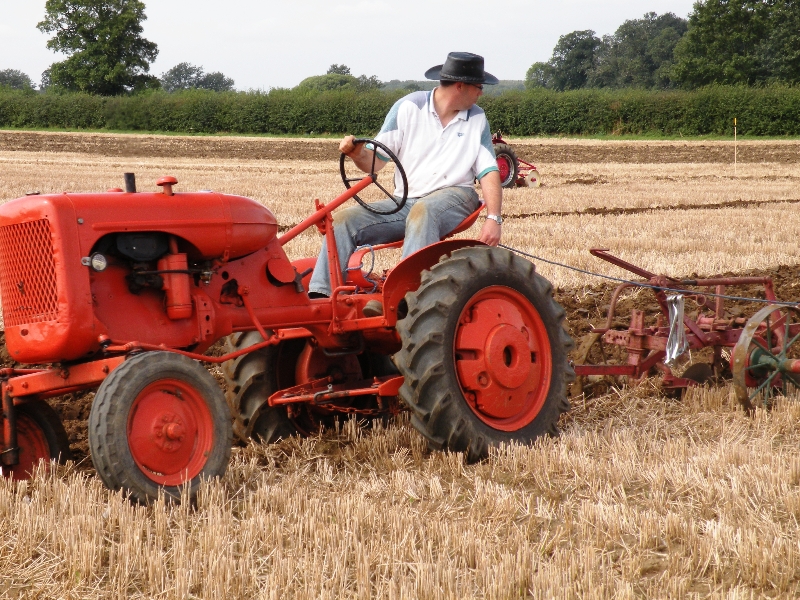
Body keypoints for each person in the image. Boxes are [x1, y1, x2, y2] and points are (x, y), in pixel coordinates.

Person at [308, 52, 504, 314]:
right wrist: (357, 155)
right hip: (407, 201)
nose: (481, 94)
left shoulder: (476, 118)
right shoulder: (407, 108)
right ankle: (321, 299)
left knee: (424, 212)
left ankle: (405, 300)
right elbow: (375, 162)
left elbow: (489, 171)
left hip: (456, 195)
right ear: (461, 86)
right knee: (343, 220)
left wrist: (494, 217)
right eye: (479, 87)